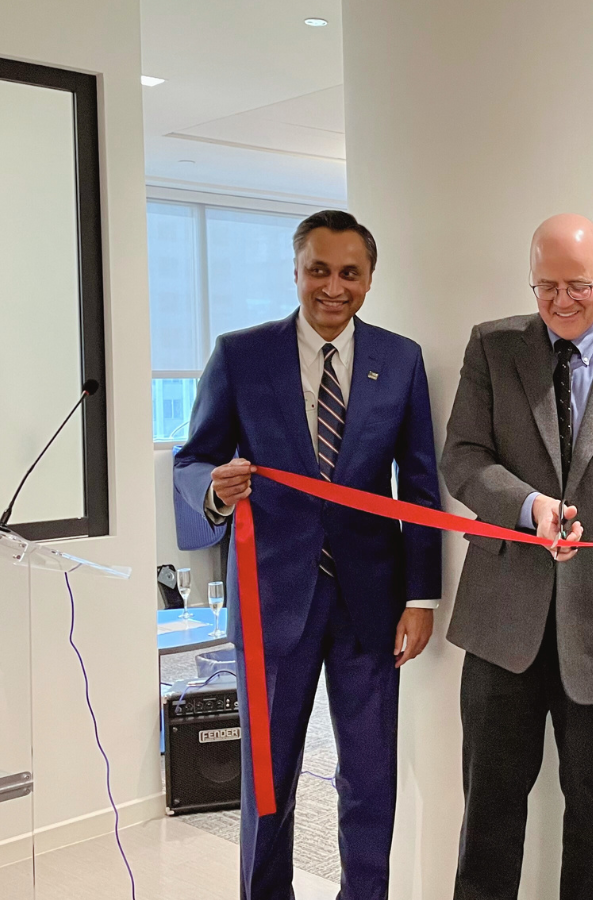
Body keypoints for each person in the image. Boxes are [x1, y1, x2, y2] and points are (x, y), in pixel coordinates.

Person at [173, 210, 442, 900]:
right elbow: (194, 458)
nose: (332, 286)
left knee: (369, 779)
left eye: (348, 273)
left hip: (372, 606)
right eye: (318, 270)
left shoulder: (401, 359)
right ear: (296, 272)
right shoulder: (241, 356)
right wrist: (213, 490)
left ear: (369, 280)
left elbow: (417, 485)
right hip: (271, 601)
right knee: (268, 780)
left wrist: (422, 596)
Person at [441, 213, 593, 900]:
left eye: (577, 285)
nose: (561, 301)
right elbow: (461, 459)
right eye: (546, 286)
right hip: (500, 627)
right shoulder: (493, 349)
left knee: (592, 811)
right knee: (489, 813)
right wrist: (528, 507)